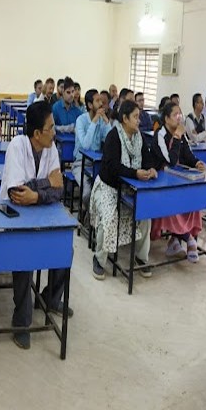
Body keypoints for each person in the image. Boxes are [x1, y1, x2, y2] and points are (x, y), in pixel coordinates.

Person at [0, 101, 73, 349]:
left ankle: (51, 299)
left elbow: (59, 189)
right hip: (13, 215)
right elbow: (17, 194)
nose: (55, 131)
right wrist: (44, 186)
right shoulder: (17, 146)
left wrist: (37, 195)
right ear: (37, 133)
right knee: (25, 253)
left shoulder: (51, 148)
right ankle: (21, 320)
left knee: (65, 247)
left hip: (42, 211)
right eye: (51, 128)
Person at [89, 100, 157, 280]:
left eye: (139, 117)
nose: (138, 121)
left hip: (130, 187)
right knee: (109, 217)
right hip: (108, 186)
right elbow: (112, 167)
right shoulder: (114, 136)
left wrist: (151, 169)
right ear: (125, 119)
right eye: (135, 117)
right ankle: (99, 258)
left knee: (145, 216)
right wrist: (135, 173)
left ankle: (141, 257)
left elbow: (147, 157)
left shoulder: (138, 137)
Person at [150, 102, 206, 262]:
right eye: (176, 115)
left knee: (192, 201)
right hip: (159, 181)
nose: (179, 118)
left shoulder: (181, 133)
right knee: (173, 203)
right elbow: (171, 161)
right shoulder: (160, 135)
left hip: (175, 178)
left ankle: (175, 240)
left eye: (180, 114)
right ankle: (189, 239)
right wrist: (176, 137)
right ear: (166, 118)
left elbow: (187, 154)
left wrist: (197, 163)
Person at [73, 89, 111, 208]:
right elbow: (85, 145)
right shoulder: (81, 120)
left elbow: (110, 140)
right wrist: (94, 122)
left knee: (106, 192)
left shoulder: (101, 120)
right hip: (80, 164)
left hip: (97, 164)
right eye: (97, 101)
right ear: (90, 105)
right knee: (87, 193)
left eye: (101, 100)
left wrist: (106, 121)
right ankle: (88, 219)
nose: (101, 103)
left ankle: (93, 219)